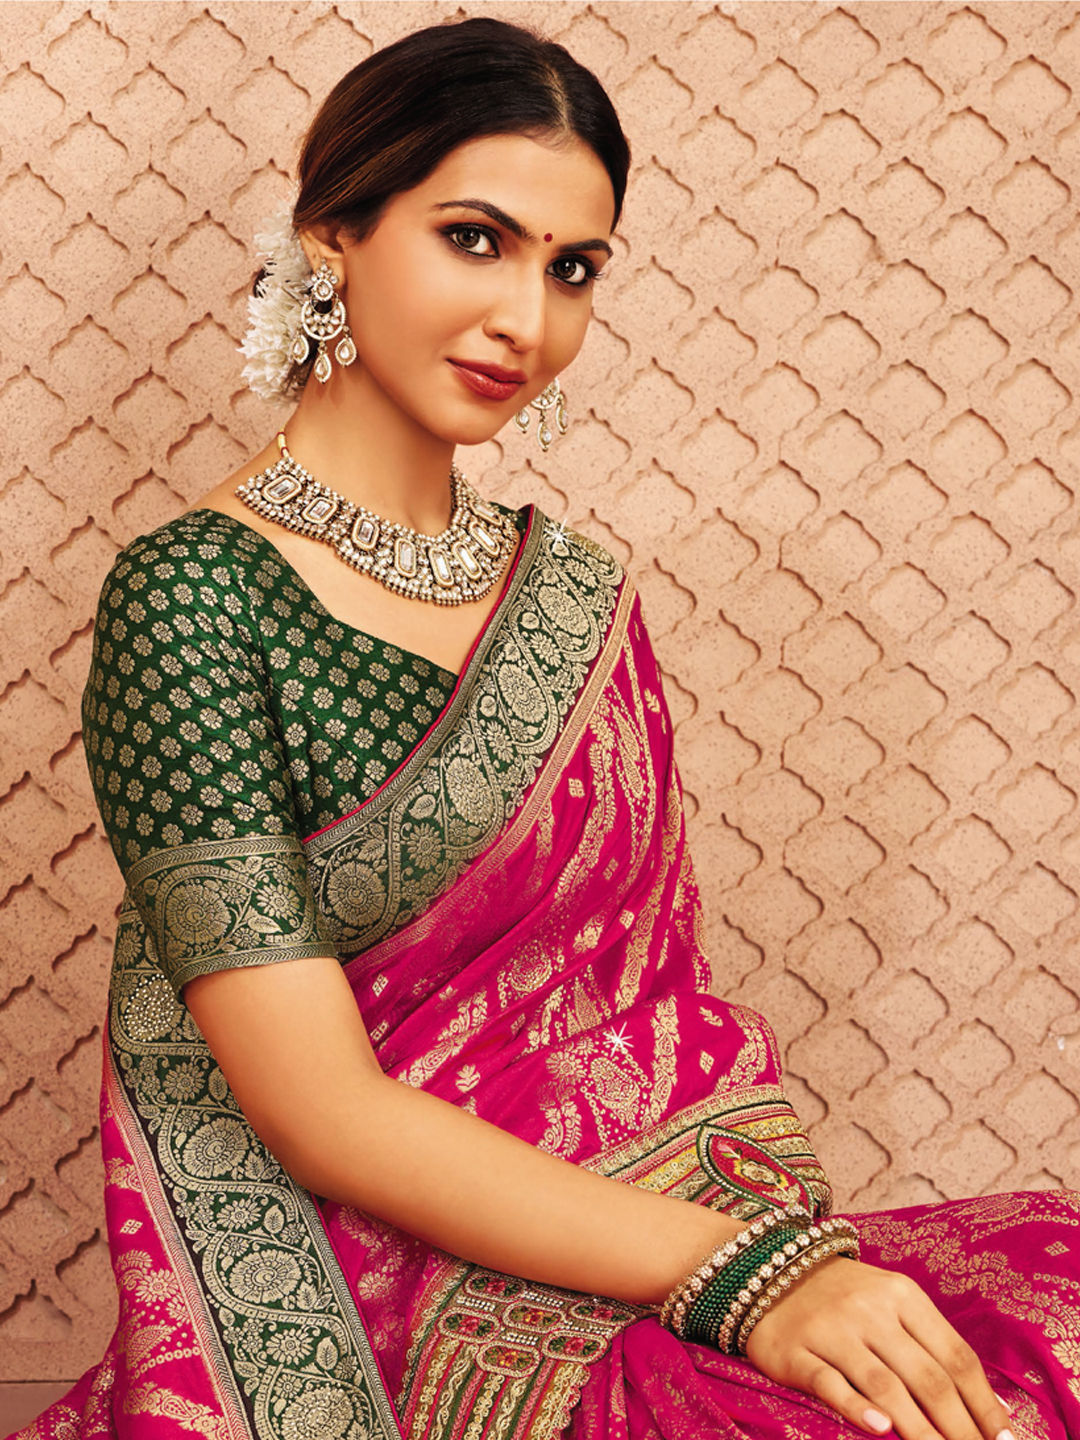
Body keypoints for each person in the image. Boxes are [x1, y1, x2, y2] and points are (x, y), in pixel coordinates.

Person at [14, 16, 1078, 1440]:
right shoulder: (192, 599)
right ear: (332, 238)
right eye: (476, 240)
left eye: (573, 268)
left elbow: (646, 1008)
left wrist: (763, 1259)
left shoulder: (573, 596)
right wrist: (749, 1281)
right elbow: (318, 1112)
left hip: (645, 1206)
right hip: (379, 1275)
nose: (530, 319)